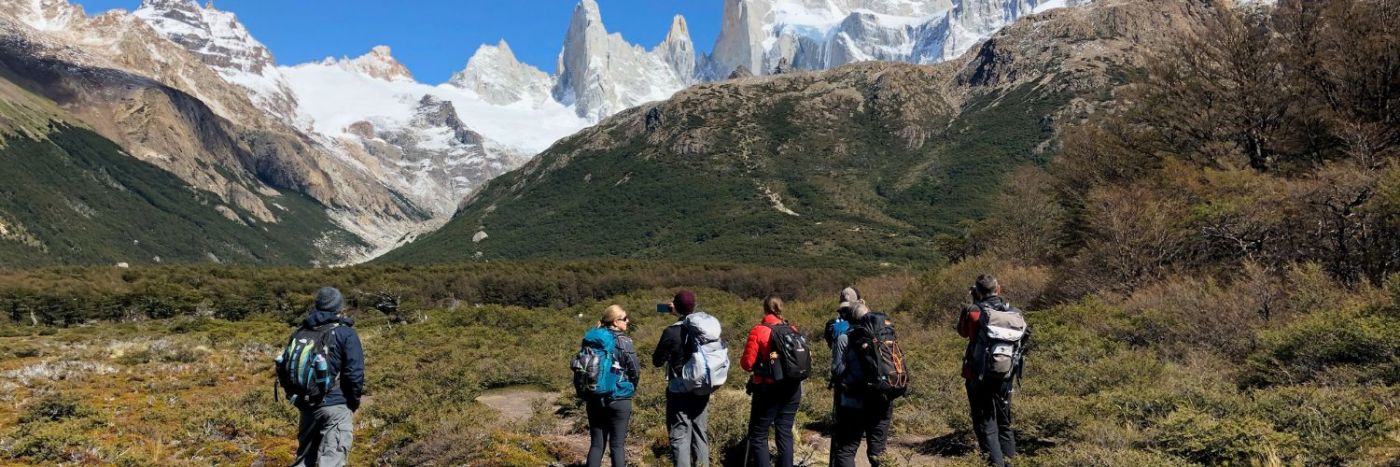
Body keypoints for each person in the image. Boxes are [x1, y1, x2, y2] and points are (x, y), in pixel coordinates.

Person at [957, 274, 1029, 467]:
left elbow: (963, 332)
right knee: (1004, 424)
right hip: (1006, 375)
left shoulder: (973, 311)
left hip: (977, 375)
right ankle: (1010, 463)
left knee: (985, 425)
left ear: (977, 291)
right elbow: (1024, 338)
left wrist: (973, 303)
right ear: (999, 289)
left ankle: (994, 464)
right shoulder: (1015, 313)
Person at [291, 287, 365, 467]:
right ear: (339, 306)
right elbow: (354, 373)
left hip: (307, 405)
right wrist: (353, 401)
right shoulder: (345, 333)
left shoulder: (301, 332)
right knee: (332, 459)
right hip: (335, 406)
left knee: (303, 460)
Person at [829, 298, 893, 467]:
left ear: (850, 318)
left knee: (846, 450)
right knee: (878, 451)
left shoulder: (844, 338)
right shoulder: (885, 335)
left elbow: (837, 370)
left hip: (854, 401)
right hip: (882, 397)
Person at [740, 296, 804, 467]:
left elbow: (747, 364)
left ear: (765, 309)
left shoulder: (759, 330)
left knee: (759, 435)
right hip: (793, 388)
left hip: (768, 389)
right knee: (784, 432)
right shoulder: (792, 328)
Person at [652, 290, 711, 467]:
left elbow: (657, 361)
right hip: (702, 387)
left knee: (680, 435)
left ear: (675, 308)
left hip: (679, 389)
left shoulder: (671, 332)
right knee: (700, 433)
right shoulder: (705, 329)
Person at [584, 305, 640, 467]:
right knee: (617, 446)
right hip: (619, 396)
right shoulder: (624, 341)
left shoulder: (591, 338)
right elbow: (635, 370)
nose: (628, 321)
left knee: (596, 445)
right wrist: (630, 388)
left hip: (595, 397)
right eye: (625, 319)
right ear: (615, 322)